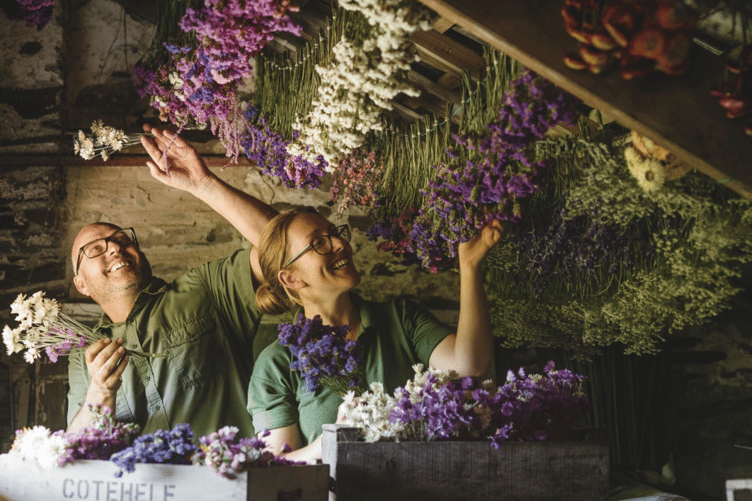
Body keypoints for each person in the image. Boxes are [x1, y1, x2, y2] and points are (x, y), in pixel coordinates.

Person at [66, 126, 277, 437]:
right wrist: (99, 394)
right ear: (81, 284)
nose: (114, 247)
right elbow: (71, 447)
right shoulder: (84, 355)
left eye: (122, 240)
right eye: (95, 249)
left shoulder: (206, 289)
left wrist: (204, 184)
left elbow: (286, 247)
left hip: (226, 477)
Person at [247, 207, 503, 462]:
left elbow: (469, 365)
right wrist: (332, 438)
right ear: (291, 279)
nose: (340, 243)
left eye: (335, 233)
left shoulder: (401, 319)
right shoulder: (277, 364)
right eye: (318, 243)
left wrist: (469, 266)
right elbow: (276, 467)